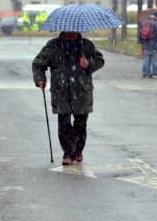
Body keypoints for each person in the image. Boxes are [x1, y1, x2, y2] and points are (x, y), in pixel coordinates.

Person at [32, 31, 105, 165]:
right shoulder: (53, 45)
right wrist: (40, 79)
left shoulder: (86, 45)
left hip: (82, 91)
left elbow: (100, 60)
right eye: (68, 31)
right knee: (64, 124)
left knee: (80, 124)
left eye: (74, 31)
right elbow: (38, 64)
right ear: (63, 30)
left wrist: (88, 63)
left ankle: (78, 150)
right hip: (62, 91)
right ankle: (69, 153)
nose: (71, 34)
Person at [140, 14, 157, 78]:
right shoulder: (156, 24)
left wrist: (142, 43)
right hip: (154, 45)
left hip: (146, 45)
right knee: (154, 60)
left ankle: (145, 73)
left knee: (146, 59)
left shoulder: (143, 24)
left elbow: (140, 35)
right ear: (154, 18)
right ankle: (155, 73)